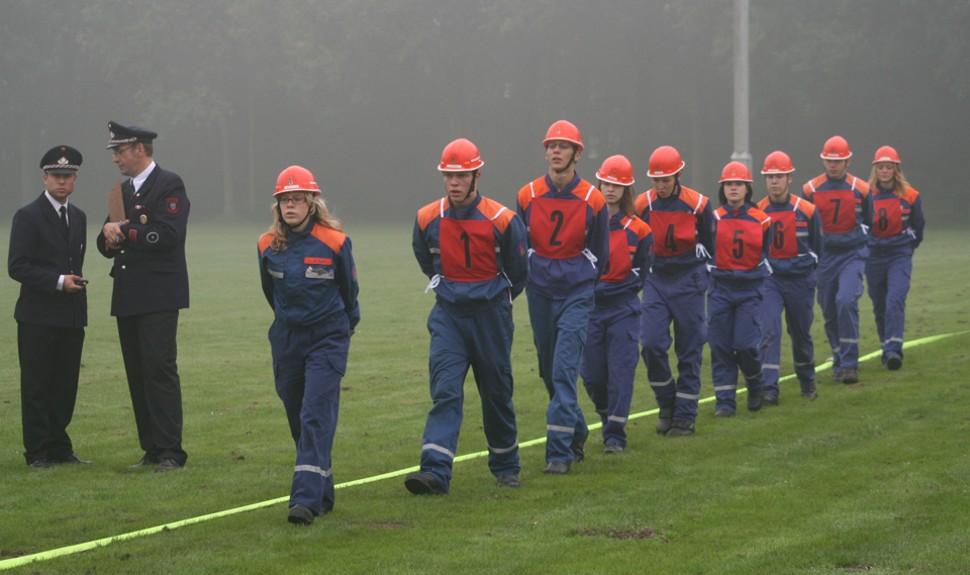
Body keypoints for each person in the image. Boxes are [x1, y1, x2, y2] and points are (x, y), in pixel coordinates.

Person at [406, 138, 528, 494]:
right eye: (448, 176)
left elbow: (518, 272)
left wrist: (492, 298)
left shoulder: (503, 220)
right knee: (445, 391)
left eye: (461, 176)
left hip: (491, 317)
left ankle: (506, 465)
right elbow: (425, 259)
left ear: (476, 176)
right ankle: (435, 472)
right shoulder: (427, 217)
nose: (454, 182)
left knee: (496, 392)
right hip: (448, 317)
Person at [258, 165, 360, 525]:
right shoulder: (266, 245)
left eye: (297, 198)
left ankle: (303, 501)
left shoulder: (335, 242)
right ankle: (323, 489)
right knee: (296, 416)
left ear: (312, 202)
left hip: (328, 335)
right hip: (286, 338)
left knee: (314, 414)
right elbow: (271, 293)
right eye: (284, 199)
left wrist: (340, 330)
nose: (290, 205)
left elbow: (350, 294)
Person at [516, 120, 609, 474]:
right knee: (547, 371)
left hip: (576, 294)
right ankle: (578, 430)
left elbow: (599, 254)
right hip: (539, 292)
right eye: (551, 145)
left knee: (564, 371)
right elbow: (520, 245)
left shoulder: (593, 199)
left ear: (576, 153)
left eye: (563, 145)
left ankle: (559, 454)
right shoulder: (527, 195)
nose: (555, 151)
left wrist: (577, 278)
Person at [97, 121, 190, 472]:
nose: (116, 158)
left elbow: (168, 235)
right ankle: (151, 448)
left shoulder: (168, 184)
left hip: (159, 296)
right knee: (137, 374)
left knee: (159, 372)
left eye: (120, 151)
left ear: (139, 149)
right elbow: (107, 242)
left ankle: (170, 452)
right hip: (128, 295)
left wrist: (125, 231)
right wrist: (108, 238)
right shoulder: (123, 191)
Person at [8, 145, 90, 469]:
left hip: (71, 315)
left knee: (65, 385)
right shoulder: (27, 216)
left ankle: (59, 447)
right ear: (44, 177)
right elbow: (17, 266)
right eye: (56, 175)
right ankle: (37, 452)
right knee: (38, 384)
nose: (62, 182)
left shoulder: (80, 216)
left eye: (68, 176)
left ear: (75, 179)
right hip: (38, 316)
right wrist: (58, 281)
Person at [634, 145, 713, 436]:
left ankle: (685, 417)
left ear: (678, 175)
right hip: (657, 279)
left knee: (689, 350)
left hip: (689, 279)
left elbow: (710, 244)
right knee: (652, 344)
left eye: (665, 180)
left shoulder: (699, 205)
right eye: (656, 180)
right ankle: (666, 401)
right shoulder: (643, 204)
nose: (661, 186)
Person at [579, 155, 652, 454]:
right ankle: (606, 414)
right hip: (590, 310)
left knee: (620, 373)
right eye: (606, 183)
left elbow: (642, 273)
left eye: (617, 185)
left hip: (623, 310)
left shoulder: (641, 230)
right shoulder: (585, 222)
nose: (610, 189)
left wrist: (616, 288)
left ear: (627, 190)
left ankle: (615, 436)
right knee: (592, 376)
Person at [802, 136, 871, 384]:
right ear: (823, 161)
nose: (833, 165)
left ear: (848, 161)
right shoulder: (810, 190)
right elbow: (806, 228)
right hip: (824, 259)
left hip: (852, 255)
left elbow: (869, 226)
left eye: (838, 161)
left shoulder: (862, 189)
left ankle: (851, 364)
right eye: (829, 161)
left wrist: (847, 238)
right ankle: (839, 357)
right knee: (830, 310)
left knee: (845, 301)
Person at [756, 151, 823, 403]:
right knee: (769, 330)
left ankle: (807, 381)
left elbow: (818, 249)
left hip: (800, 281)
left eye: (779, 176)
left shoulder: (807, 210)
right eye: (770, 177)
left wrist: (803, 266)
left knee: (800, 333)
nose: (774, 181)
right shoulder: (758, 211)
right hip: (771, 281)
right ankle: (769, 389)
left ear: (789, 178)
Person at [707, 161, 771, 417]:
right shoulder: (713, 219)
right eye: (729, 184)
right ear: (723, 188)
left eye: (738, 184)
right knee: (720, 346)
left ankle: (755, 385)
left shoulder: (762, 220)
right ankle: (725, 402)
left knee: (745, 345)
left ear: (747, 188)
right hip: (720, 290)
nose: (734, 188)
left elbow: (768, 257)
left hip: (749, 291)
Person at [865, 146, 925, 371]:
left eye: (889, 167)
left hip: (899, 254)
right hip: (873, 257)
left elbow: (918, 226)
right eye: (880, 167)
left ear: (896, 169)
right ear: (875, 169)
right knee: (879, 304)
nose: (884, 171)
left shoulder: (911, 195)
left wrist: (908, 246)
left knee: (895, 300)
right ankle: (885, 346)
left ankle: (894, 350)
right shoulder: (866, 194)